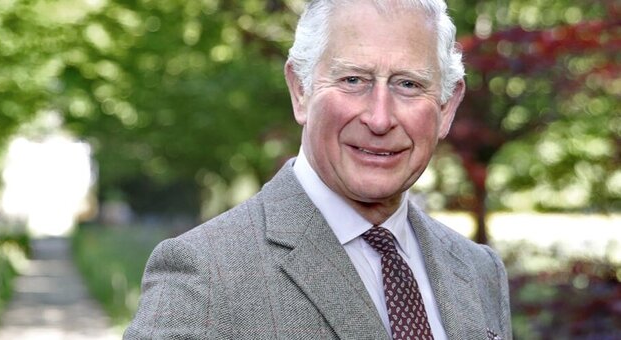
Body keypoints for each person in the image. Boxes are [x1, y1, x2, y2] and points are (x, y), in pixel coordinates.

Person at [124, 0, 512, 339]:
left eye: (408, 84)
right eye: (353, 80)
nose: (379, 118)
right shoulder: (206, 276)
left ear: (446, 108)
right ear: (300, 91)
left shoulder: (479, 270)